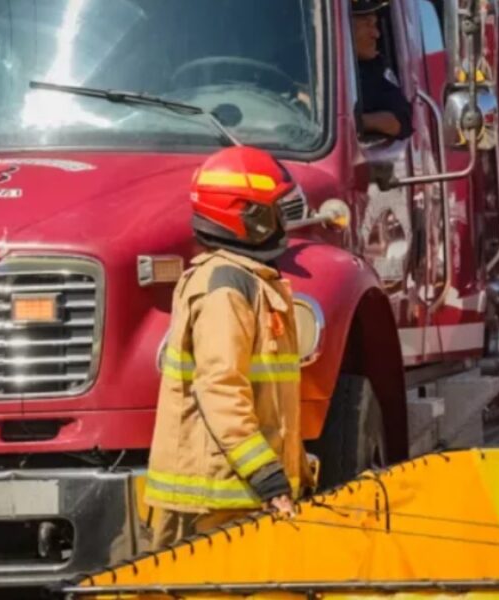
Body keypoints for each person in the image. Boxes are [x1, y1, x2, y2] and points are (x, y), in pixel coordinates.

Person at [145, 146, 311, 549]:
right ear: (249, 219)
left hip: (242, 499)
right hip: (216, 505)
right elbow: (221, 388)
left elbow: (273, 401)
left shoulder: (248, 280)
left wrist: (298, 473)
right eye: (273, 209)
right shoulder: (225, 288)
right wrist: (267, 478)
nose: (283, 222)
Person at [352, 0, 413, 139]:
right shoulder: (301, 73)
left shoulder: (373, 69)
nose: (376, 34)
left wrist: (358, 122)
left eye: (375, 24)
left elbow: (400, 122)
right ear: (342, 28)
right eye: (367, 24)